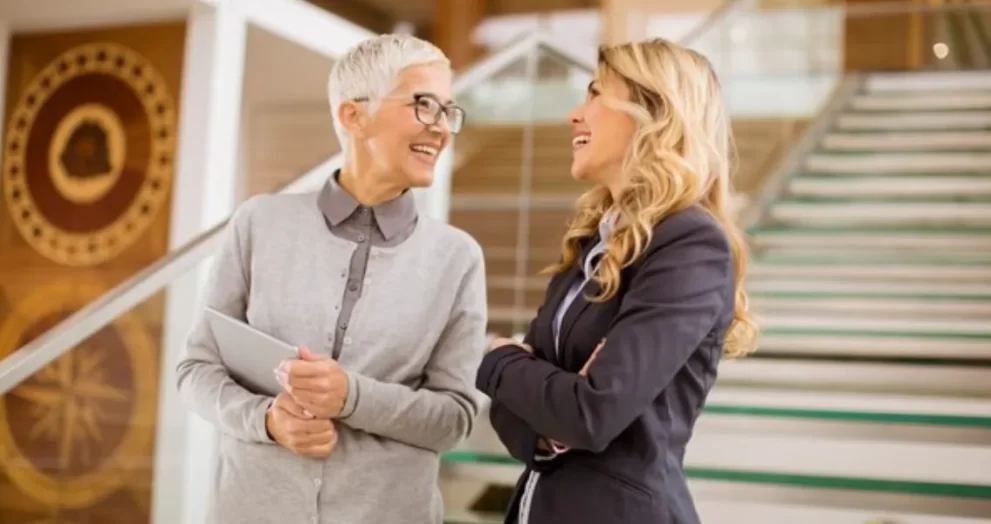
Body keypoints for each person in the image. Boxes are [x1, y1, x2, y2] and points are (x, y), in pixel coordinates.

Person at [176, 34, 487, 524]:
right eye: (425, 105)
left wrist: (351, 397)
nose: (442, 127)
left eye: (449, 110)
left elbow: (454, 420)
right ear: (353, 115)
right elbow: (195, 371)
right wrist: (267, 421)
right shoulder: (259, 223)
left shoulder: (457, 258)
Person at [475, 38, 759, 524]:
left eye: (595, 93)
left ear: (652, 114)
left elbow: (591, 412)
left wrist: (497, 359)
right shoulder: (595, 240)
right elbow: (517, 414)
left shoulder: (690, 244)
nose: (574, 114)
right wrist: (547, 423)